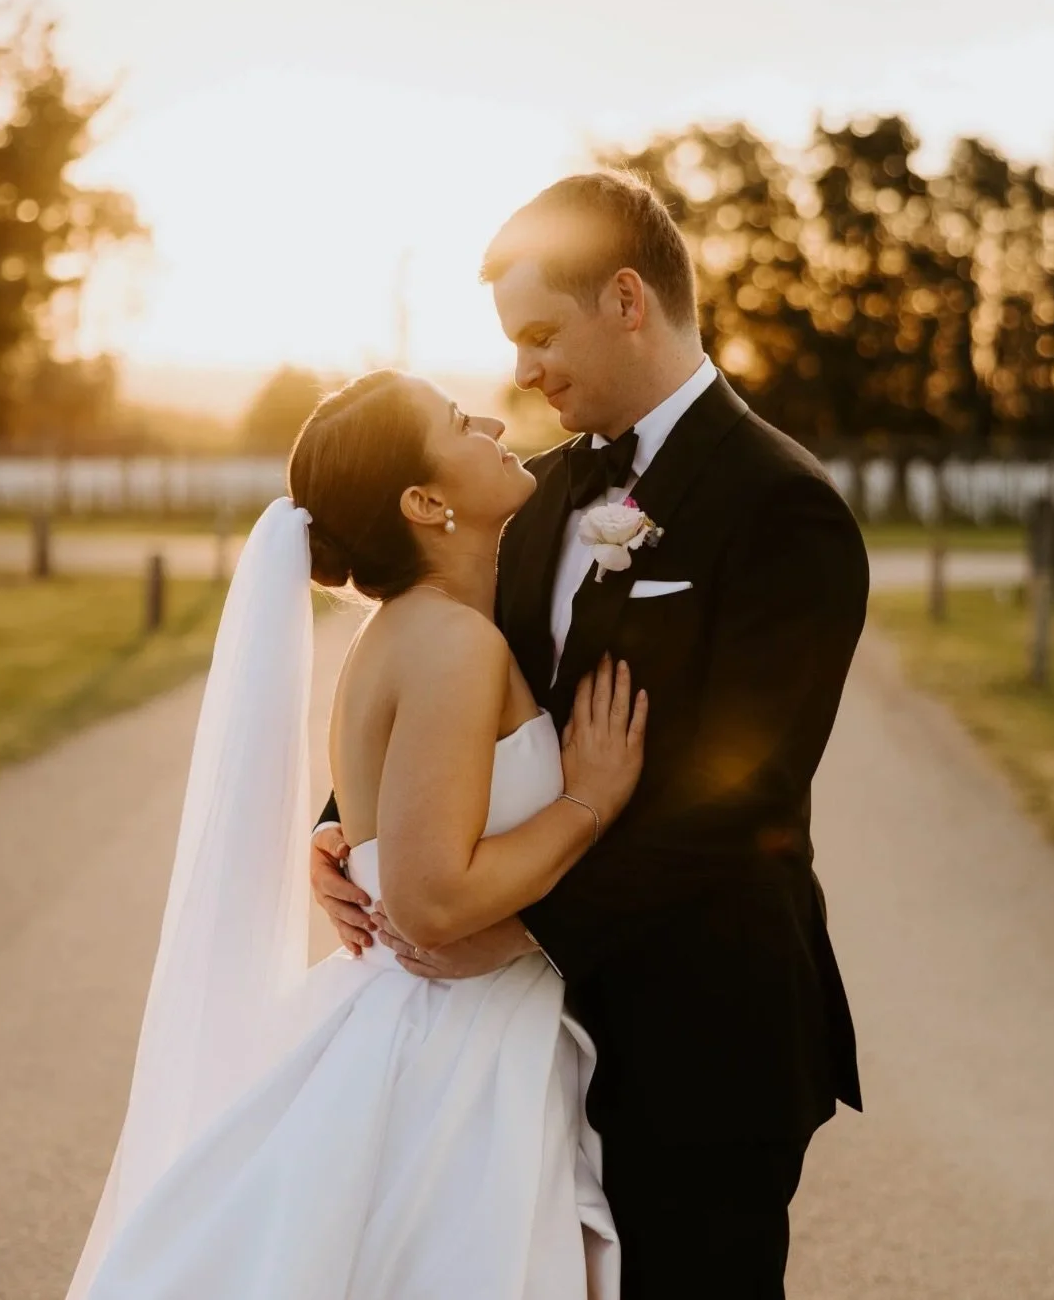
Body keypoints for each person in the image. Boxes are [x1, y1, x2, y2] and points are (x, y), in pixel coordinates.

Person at [313, 171, 869, 1299]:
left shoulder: (785, 506)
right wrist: (350, 831)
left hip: (701, 1032)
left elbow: (745, 795)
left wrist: (521, 929)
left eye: (538, 336)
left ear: (625, 300)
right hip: (518, 1053)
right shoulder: (529, 501)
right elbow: (460, 697)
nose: (521, 373)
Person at [67, 369, 647, 1299]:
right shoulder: (453, 644)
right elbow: (430, 901)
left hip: (444, 1023)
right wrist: (589, 803)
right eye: (459, 422)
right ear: (423, 502)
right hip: (450, 1052)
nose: (494, 422)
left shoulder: (416, 632)